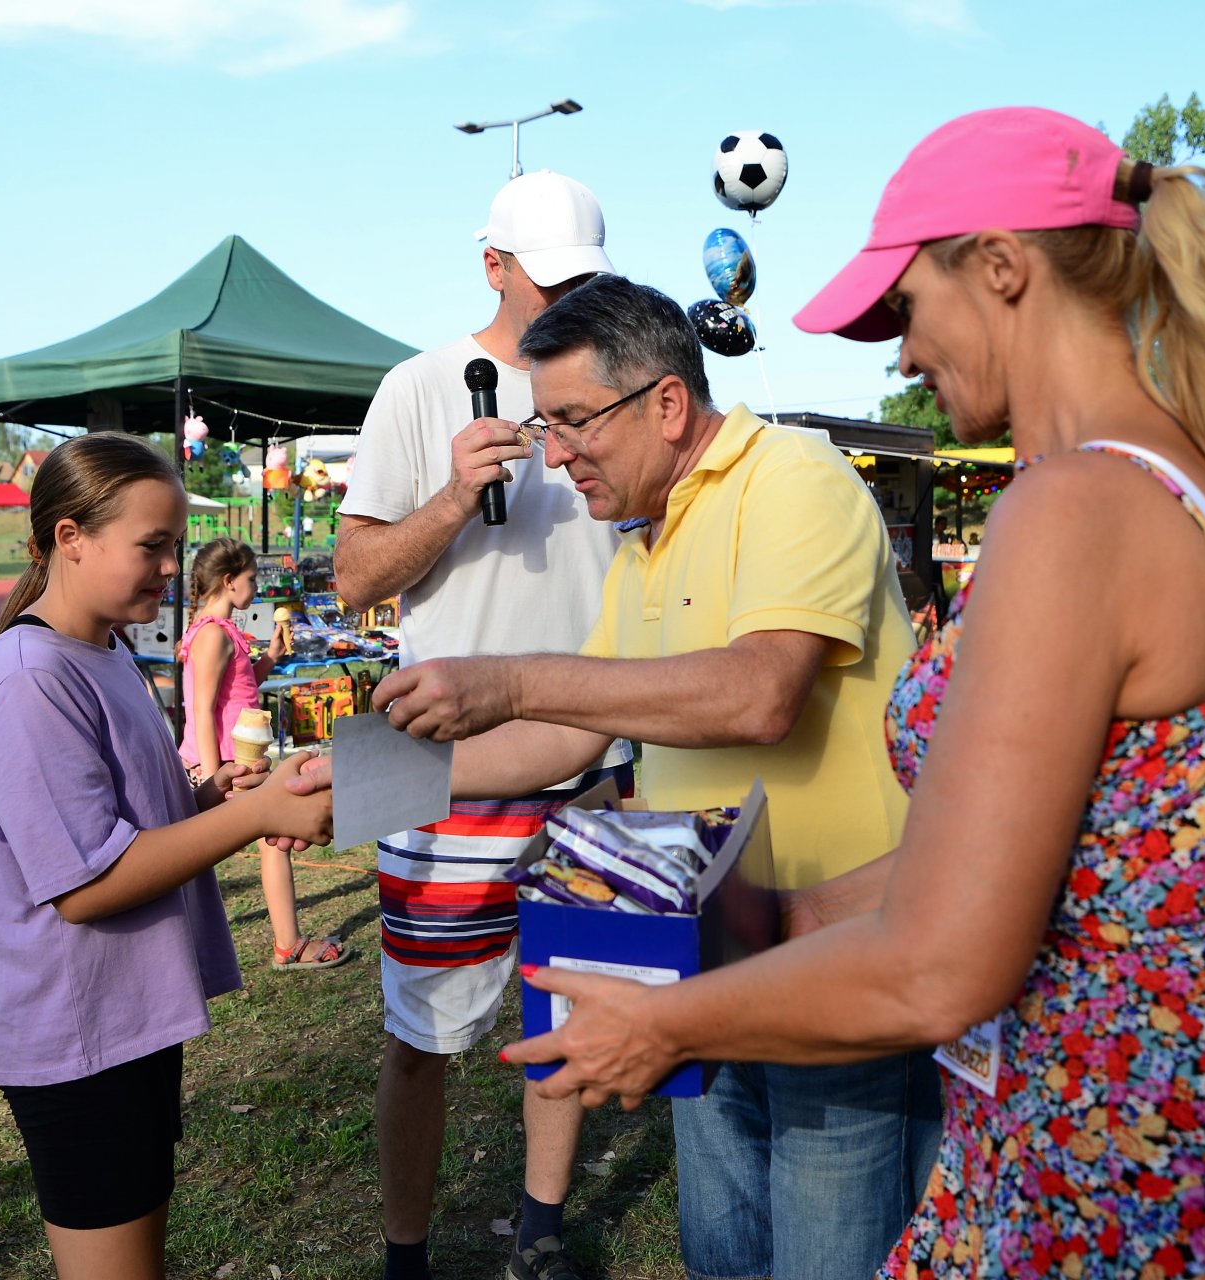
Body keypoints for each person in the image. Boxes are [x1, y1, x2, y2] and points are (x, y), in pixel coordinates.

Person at [488, 108, 1205, 1277]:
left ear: (1001, 267)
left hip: (1120, 1142)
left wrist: (662, 1019)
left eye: (907, 308)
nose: (899, 354)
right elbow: (1021, 850)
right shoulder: (1172, 478)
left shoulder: (1071, 510)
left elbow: (946, 962)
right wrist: (764, 928)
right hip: (1167, 1099)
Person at [361, 274, 940, 1280]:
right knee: (722, 1253)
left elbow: (761, 693)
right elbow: (565, 738)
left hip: (836, 961)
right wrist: (351, 781)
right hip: (700, 961)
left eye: (573, 420)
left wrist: (510, 676)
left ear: (666, 403)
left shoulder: (793, 479)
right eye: (544, 425)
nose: (552, 452)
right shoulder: (643, 535)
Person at [331, 171, 631, 1280]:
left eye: (582, 281)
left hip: (598, 751)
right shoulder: (416, 387)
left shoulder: (620, 380)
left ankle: (541, 1229)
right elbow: (354, 578)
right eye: (547, 278)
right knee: (423, 1036)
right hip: (439, 760)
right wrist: (454, 496)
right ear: (492, 263)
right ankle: (406, 1251)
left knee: (575, 1005)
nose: (564, 301)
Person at [0, 432, 332, 1280]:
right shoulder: (30, 678)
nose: (170, 569)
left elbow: (114, 820)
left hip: (124, 1011)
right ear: (69, 538)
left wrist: (213, 798)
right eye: (152, 546)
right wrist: (254, 818)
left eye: (177, 547)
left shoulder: (109, 648)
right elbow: (84, 885)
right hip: (73, 1025)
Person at [181, 536, 348, 972]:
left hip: (230, 762)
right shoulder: (213, 636)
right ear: (229, 581)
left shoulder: (216, 631)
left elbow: (237, 688)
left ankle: (286, 942)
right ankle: (288, 945)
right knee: (272, 842)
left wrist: (271, 656)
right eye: (252, 579)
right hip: (224, 764)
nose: (257, 588)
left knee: (269, 843)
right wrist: (215, 777)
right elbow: (202, 709)